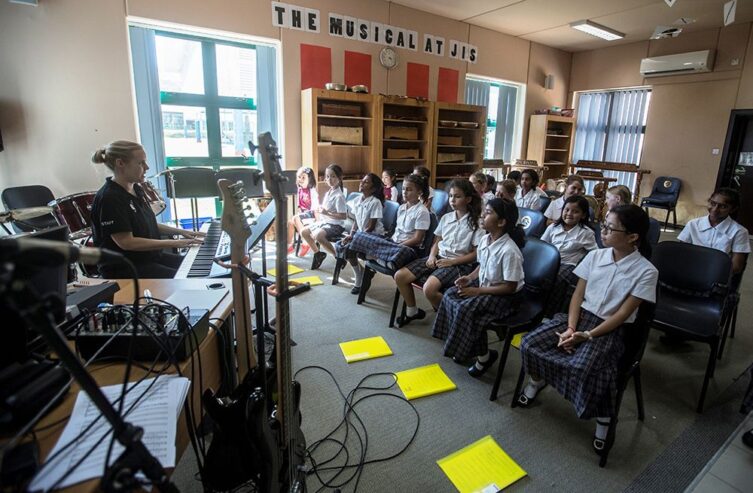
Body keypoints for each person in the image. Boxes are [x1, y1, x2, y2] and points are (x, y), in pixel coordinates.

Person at [518, 204, 658, 454]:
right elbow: (577, 295)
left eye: (609, 228)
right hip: (579, 318)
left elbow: (624, 313)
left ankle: (604, 418)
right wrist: (572, 328)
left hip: (608, 328)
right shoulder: (595, 256)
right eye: (603, 225)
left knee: (584, 366)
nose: (602, 232)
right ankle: (537, 379)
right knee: (530, 343)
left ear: (633, 237)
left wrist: (588, 336)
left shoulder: (646, 271)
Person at [431, 198, 526, 377]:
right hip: (487, 286)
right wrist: (469, 278)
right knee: (451, 294)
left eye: (488, 212)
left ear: (501, 222)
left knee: (468, 310)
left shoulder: (509, 250)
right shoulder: (485, 240)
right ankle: (468, 348)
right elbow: (481, 265)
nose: (482, 214)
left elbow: (510, 287)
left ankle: (481, 357)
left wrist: (477, 291)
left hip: (506, 297)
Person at [90, 140, 205, 279]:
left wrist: (184, 232)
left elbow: (147, 223)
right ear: (120, 163)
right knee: (193, 277)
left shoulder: (135, 188)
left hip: (150, 258)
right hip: (126, 269)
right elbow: (127, 242)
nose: (147, 167)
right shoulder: (110, 198)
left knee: (202, 266)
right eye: (141, 163)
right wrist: (177, 242)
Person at [393, 179, 483, 326]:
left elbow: (476, 254)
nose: (452, 200)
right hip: (439, 258)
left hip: (459, 265)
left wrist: (452, 262)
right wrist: (431, 255)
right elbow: (437, 241)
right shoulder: (446, 218)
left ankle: (455, 318)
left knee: (429, 289)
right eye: (451, 196)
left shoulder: (476, 223)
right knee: (400, 276)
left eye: (457, 196)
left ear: (468, 199)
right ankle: (412, 311)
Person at [342, 174, 431, 293]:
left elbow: (417, 239)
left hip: (407, 248)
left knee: (396, 250)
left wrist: (398, 245)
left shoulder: (422, 211)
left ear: (419, 192)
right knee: (362, 236)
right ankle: (385, 259)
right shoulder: (401, 208)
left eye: (409, 189)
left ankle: (380, 257)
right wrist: (389, 242)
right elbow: (394, 231)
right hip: (393, 244)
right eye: (403, 189)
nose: (404, 192)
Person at [540, 195, 598, 317]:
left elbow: (595, 253)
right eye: (566, 210)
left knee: (557, 279)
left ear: (583, 215)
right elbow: (542, 246)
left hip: (569, 265)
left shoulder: (586, 233)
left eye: (575, 211)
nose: (569, 214)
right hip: (549, 262)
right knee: (537, 277)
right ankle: (536, 307)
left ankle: (549, 314)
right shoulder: (553, 227)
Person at [678, 187, 750, 274]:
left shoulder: (739, 232)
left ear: (733, 209)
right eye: (712, 203)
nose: (715, 209)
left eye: (723, 206)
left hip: (718, 274)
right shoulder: (693, 224)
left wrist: (710, 273)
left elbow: (736, 266)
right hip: (691, 269)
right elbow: (680, 253)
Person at [335, 173, 386, 293]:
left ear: (373, 188)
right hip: (361, 235)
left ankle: (359, 277)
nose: (361, 183)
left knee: (349, 248)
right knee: (341, 244)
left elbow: (371, 226)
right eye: (362, 181)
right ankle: (359, 272)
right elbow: (356, 222)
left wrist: (356, 237)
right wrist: (351, 234)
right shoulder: (357, 200)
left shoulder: (375, 202)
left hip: (373, 236)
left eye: (366, 182)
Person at [301, 164, 348, 270]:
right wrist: (321, 209)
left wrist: (327, 213)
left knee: (318, 235)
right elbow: (327, 210)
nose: (329, 179)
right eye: (327, 176)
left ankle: (338, 256)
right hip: (325, 222)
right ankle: (318, 254)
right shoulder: (329, 192)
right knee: (304, 231)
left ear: (340, 178)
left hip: (336, 225)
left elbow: (343, 216)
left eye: (333, 176)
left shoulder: (339, 196)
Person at [287, 166, 319, 256]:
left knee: (296, 218)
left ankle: (306, 242)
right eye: (299, 177)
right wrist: (300, 214)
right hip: (303, 214)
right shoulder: (300, 189)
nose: (300, 179)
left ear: (310, 179)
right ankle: (289, 245)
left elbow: (316, 208)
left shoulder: (312, 191)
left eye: (303, 177)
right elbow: (299, 205)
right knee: (290, 222)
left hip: (311, 215)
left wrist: (318, 222)